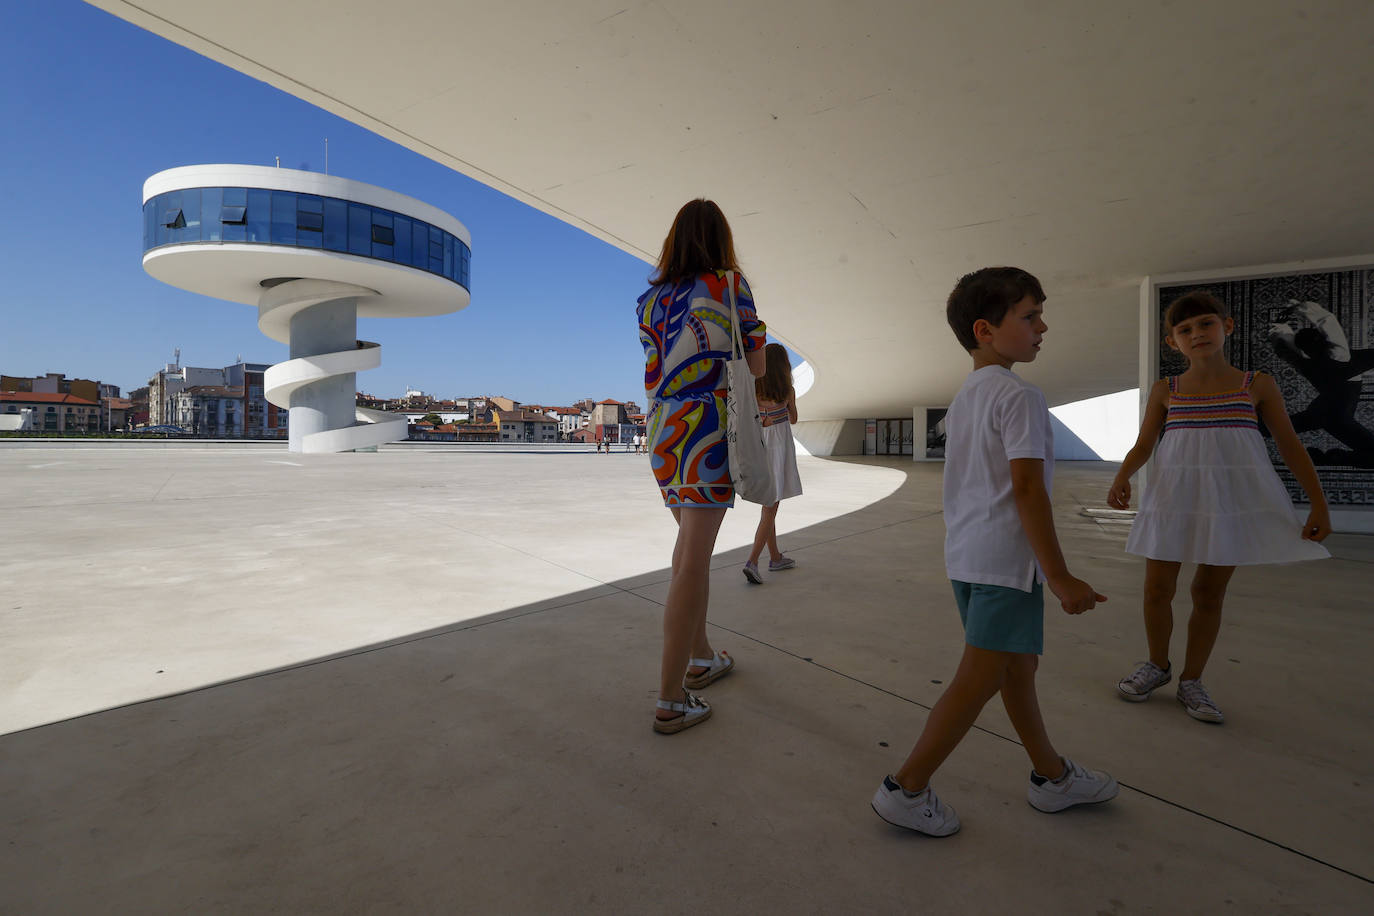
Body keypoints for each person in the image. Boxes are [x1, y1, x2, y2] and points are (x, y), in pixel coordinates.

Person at [872, 267, 1117, 837]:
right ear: (986, 329)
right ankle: (906, 787)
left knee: (1016, 670)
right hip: (1007, 565)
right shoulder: (1020, 397)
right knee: (979, 679)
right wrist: (1059, 575)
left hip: (968, 558)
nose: (1042, 326)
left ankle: (1051, 776)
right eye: (1030, 316)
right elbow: (1027, 488)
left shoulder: (965, 400)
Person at [1108, 290, 1331, 723]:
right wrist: (1122, 476)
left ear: (1227, 327)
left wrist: (1319, 505)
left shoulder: (1256, 385)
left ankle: (1192, 681)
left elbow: (1290, 447)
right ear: (1173, 342)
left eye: (1206, 324)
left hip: (1226, 505)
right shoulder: (1165, 389)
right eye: (1185, 329)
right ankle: (1157, 666)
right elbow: (1145, 444)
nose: (1197, 334)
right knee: (1157, 590)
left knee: (1208, 594)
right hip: (1173, 500)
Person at [637, 198, 766, 734]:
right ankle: (670, 700)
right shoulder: (730, 285)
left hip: (663, 430)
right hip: (708, 427)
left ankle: (702, 657)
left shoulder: (648, 299)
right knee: (693, 560)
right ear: (721, 239)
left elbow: (653, 369)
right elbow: (756, 364)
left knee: (687, 552)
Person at [1268, 299, 1374, 467]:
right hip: (1333, 415)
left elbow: (1285, 348)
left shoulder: (1306, 364)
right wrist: (1300, 307)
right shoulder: (1337, 354)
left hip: (1329, 413)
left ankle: (1328, 458)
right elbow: (1328, 323)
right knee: (1281, 427)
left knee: (1283, 427)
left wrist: (1279, 328)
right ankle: (1330, 458)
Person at [742, 343, 803, 583]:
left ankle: (776, 557)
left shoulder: (754, 388)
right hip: (778, 450)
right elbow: (794, 419)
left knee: (768, 509)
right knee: (770, 509)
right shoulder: (787, 390)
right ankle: (753, 561)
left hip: (759, 448)